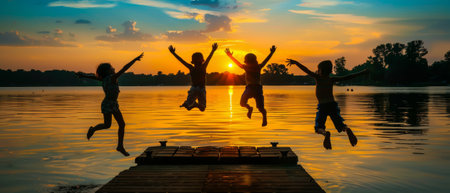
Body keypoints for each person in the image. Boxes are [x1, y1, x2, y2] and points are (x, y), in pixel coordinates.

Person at [286, 59, 368, 149]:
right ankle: (347, 129)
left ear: (321, 71)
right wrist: (362, 72)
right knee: (340, 125)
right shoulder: (331, 79)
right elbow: (348, 77)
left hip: (323, 106)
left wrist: (296, 63)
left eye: (318, 69)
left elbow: (306, 70)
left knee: (318, 128)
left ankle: (325, 134)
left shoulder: (318, 78)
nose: (317, 71)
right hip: (332, 105)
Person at [76, 53, 143, 156]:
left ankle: (116, 144)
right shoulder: (112, 78)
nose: (114, 68)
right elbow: (124, 68)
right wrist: (135, 59)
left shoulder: (104, 79)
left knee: (110, 125)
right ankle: (117, 144)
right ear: (108, 71)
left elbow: (93, 77)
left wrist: (83, 75)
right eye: (112, 68)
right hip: (109, 104)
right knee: (117, 124)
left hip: (111, 104)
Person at [225, 45, 276, 126]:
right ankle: (260, 114)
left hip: (253, 88)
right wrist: (272, 52)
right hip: (255, 88)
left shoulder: (248, 67)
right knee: (259, 108)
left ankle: (252, 110)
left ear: (246, 61)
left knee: (245, 104)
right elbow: (266, 60)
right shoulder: (256, 66)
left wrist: (230, 56)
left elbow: (237, 62)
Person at [169, 43, 218, 111]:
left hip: (193, 89)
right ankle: (194, 104)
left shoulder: (191, 68)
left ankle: (193, 104)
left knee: (188, 107)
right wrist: (213, 50)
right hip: (201, 89)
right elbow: (209, 58)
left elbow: (181, 60)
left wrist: (173, 53)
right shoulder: (203, 67)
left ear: (193, 61)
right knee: (202, 108)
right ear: (202, 60)